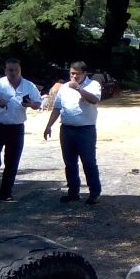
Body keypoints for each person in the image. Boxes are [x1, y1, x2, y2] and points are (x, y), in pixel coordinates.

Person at [0, 58, 42, 202]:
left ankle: (6, 193)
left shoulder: (28, 85)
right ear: (5, 70)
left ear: (20, 70)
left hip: (16, 128)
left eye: (16, 70)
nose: (13, 73)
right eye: (10, 70)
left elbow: (38, 103)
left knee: (12, 162)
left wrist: (31, 104)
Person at [44, 61, 103, 205]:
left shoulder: (93, 85)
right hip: (67, 129)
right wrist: (49, 126)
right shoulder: (64, 87)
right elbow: (57, 108)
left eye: (77, 73)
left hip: (86, 130)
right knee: (70, 163)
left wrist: (79, 89)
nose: (74, 76)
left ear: (85, 73)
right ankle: (73, 192)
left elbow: (94, 100)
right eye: (72, 73)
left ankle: (94, 193)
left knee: (88, 162)